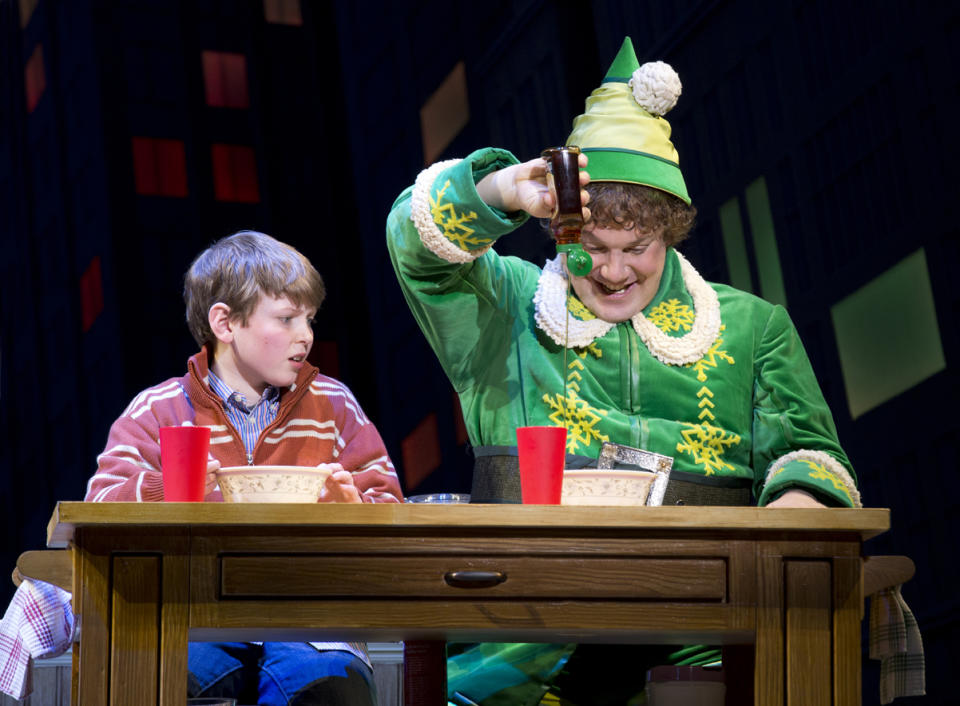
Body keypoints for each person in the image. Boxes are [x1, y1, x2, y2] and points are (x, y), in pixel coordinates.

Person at [387, 37, 860, 704]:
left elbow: (808, 453)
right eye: (592, 248)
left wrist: (788, 523)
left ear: (670, 232)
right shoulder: (506, 309)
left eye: (636, 248)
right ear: (561, 234)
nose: (612, 272)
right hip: (525, 632)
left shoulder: (753, 327)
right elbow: (414, 245)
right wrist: (498, 189)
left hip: (705, 623)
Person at [86, 230, 403, 706]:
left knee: (332, 687)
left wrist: (353, 508)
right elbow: (98, 507)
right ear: (225, 322)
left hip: (307, 615)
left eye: (310, 319)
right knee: (170, 680)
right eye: (287, 317)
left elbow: (391, 509)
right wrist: (167, 487)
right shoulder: (158, 410)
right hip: (192, 613)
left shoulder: (333, 405)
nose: (306, 335)